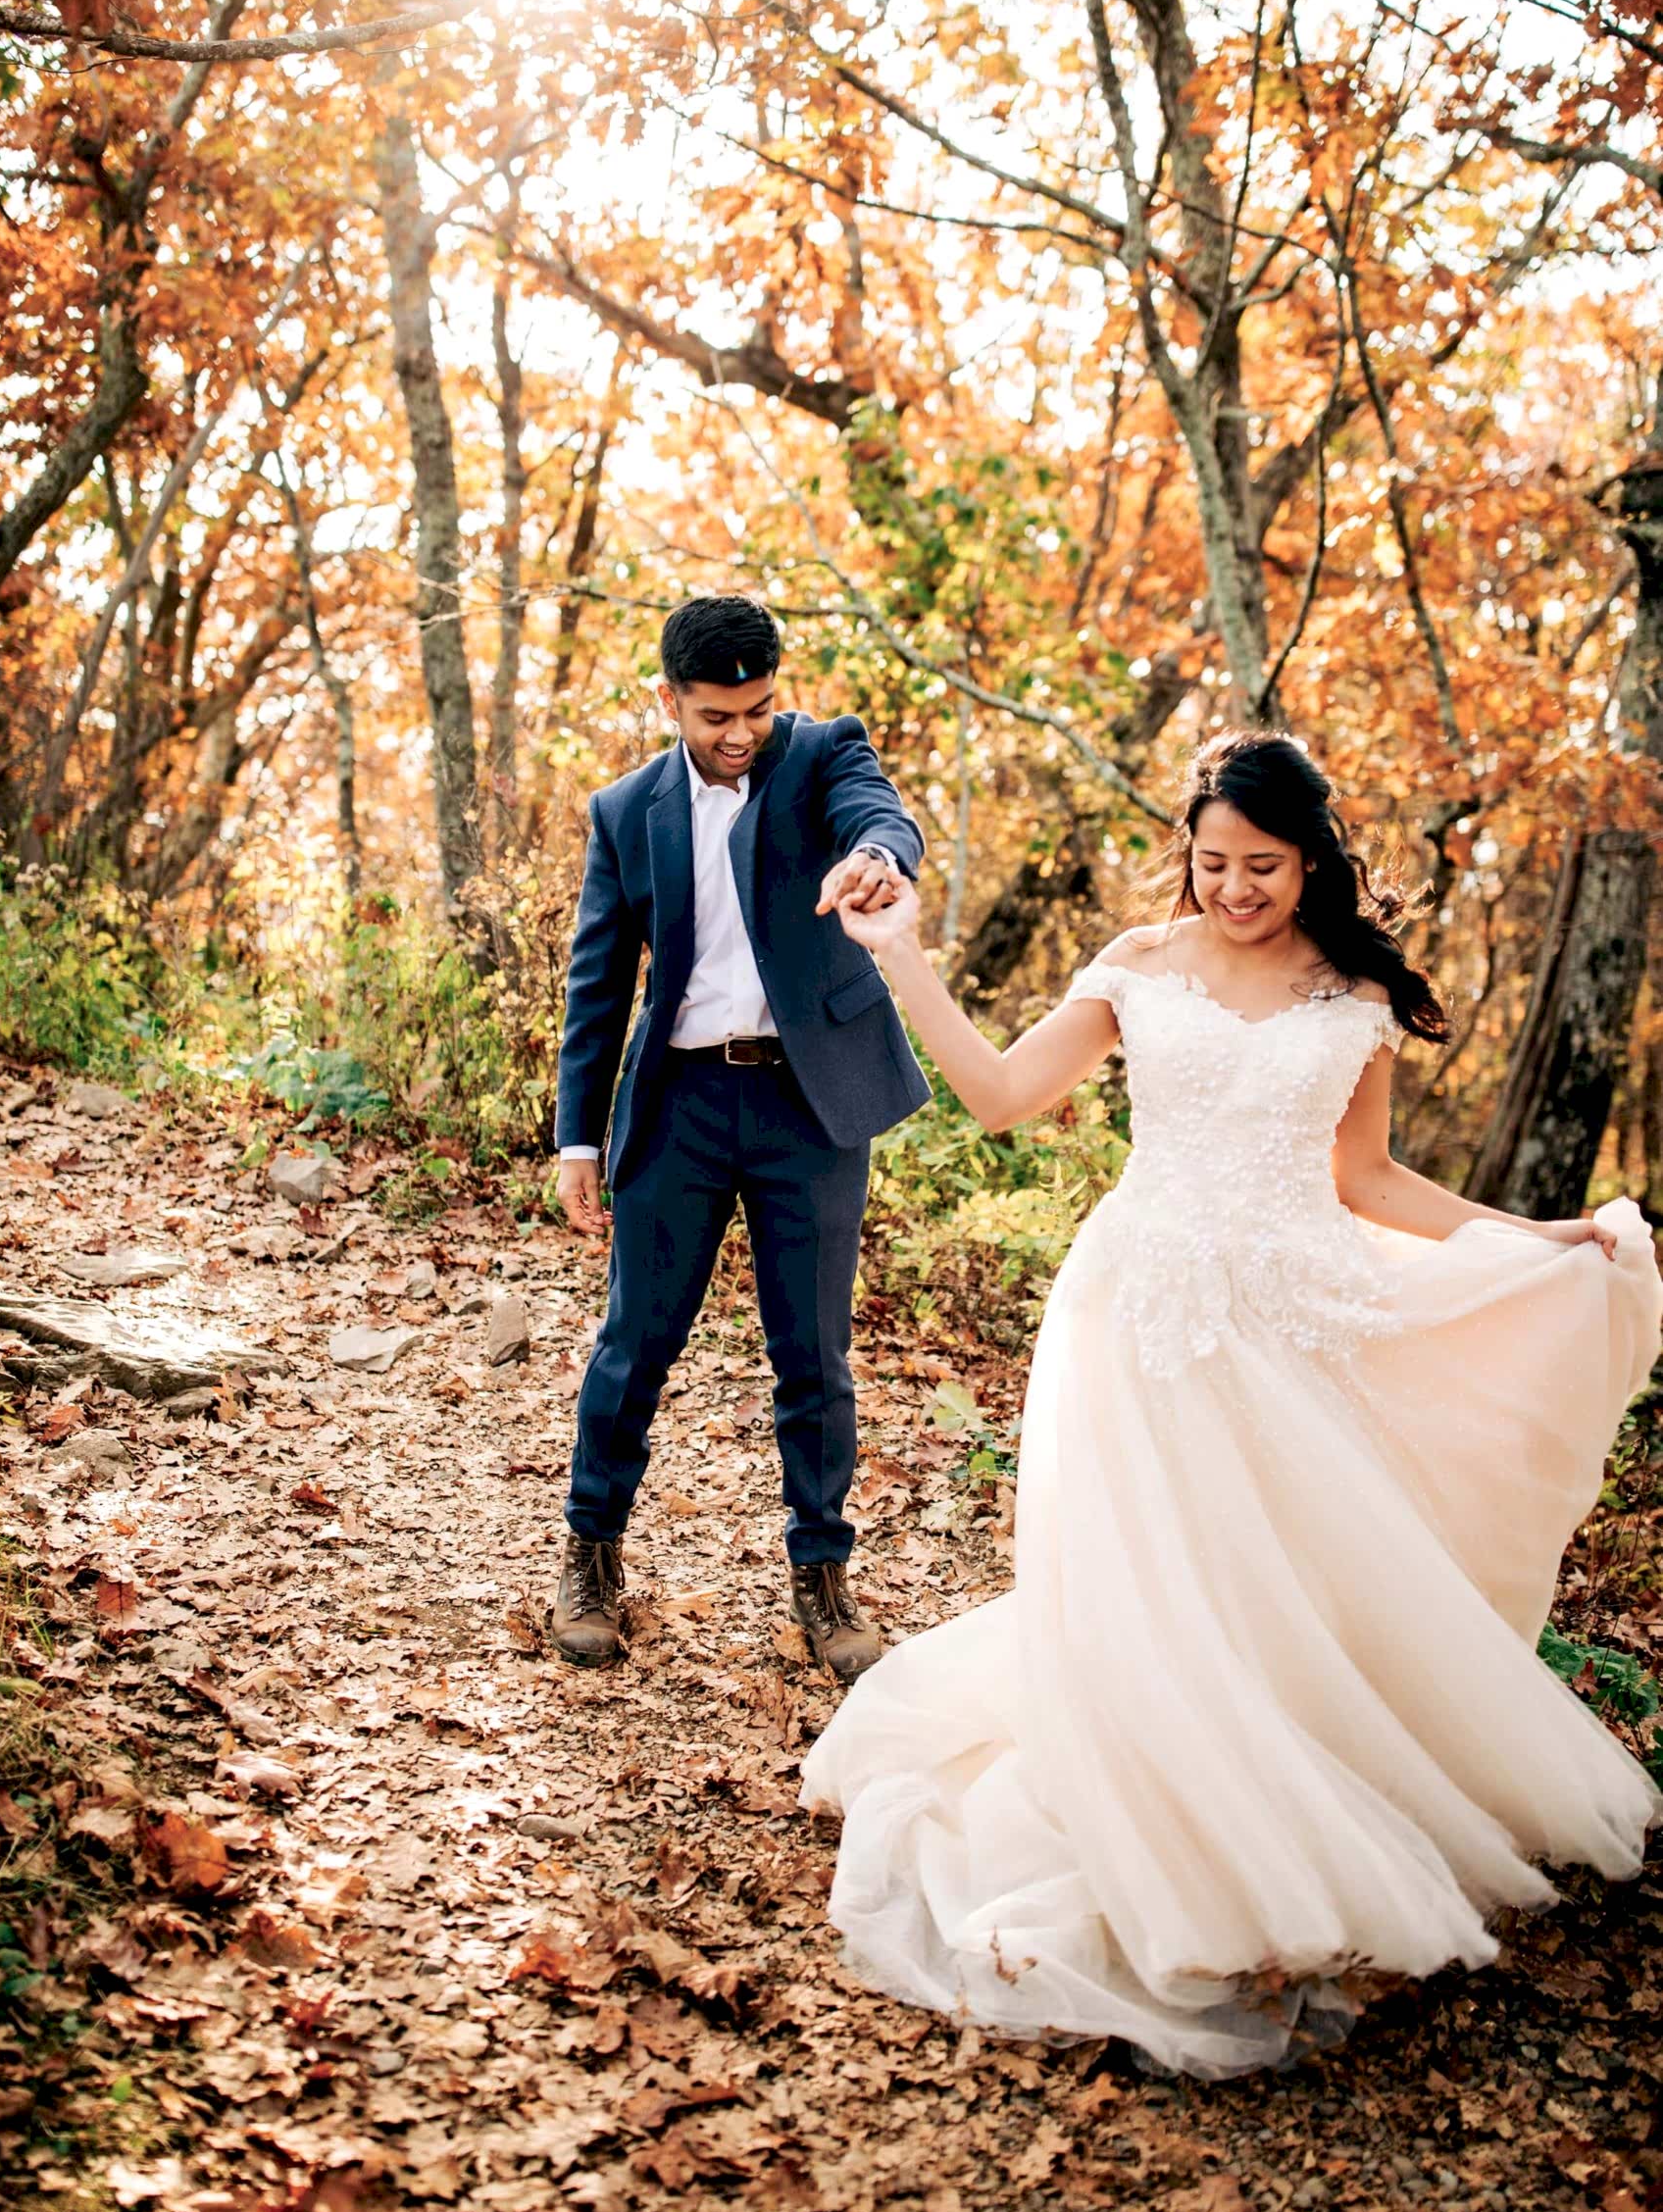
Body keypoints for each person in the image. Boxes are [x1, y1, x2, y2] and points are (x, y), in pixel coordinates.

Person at [801, 729, 1663, 2077]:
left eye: (1259, 867)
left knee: (1278, 1584)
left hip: (1291, 1321)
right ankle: (1166, 1835)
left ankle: (1286, 1809)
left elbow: (1369, 1183)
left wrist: (1530, 1241)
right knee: (1151, 1582)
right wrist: (897, 948)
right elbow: (998, 1097)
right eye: (1210, 862)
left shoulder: (1353, 997)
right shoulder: (1140, 966)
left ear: (1309, 860)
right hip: (1135, 1314)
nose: (1232, 889)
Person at [551, 594, 928, 1681]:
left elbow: (882, 815)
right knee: (636, 1341)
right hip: (679, 1104)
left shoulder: (818, 756)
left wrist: (877, 862)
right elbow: (596, 982)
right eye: (716, 712)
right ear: (667, 697)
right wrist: (579, 1139)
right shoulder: (626, 811)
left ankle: (821, 1575)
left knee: (812, 1354)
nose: (738, 732)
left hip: (808, 1108)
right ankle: (589, 1556)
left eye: (756, 708)